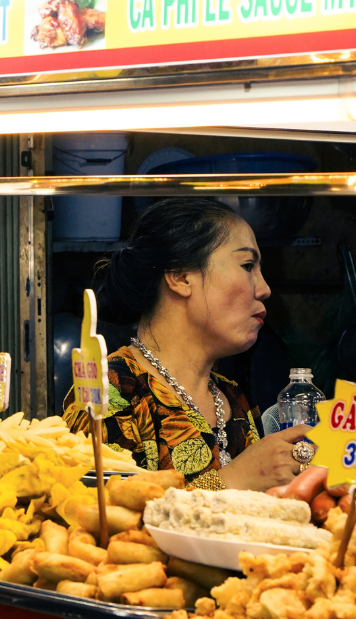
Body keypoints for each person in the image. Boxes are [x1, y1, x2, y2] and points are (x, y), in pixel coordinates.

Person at [62, 197, 309, 491]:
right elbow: (94, 517)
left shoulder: (232, 398)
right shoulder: (112, 392)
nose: (265, 289)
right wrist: (230, 481)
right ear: (180, 277)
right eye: (246, 265)